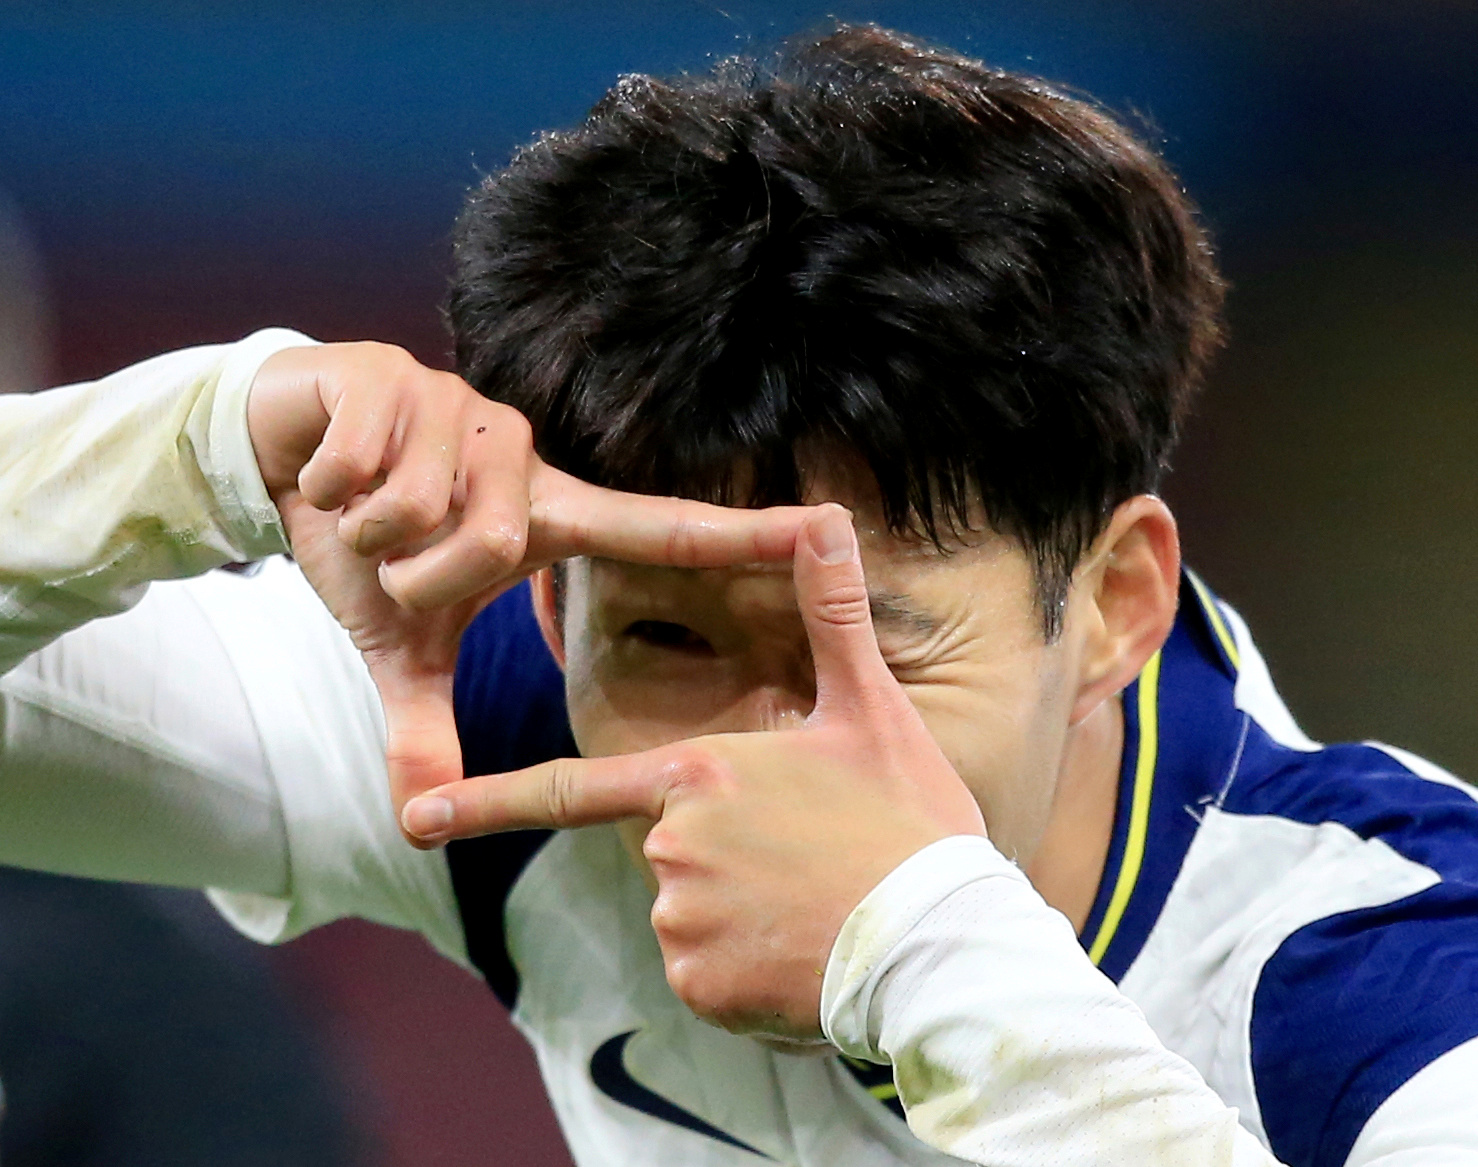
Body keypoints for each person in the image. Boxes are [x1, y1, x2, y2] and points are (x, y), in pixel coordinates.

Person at [3, 23, 1476, 1167]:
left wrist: (913, 943)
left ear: (1113, 603)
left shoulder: (1387, 972)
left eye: (879, 645)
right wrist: (189, 445)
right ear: (548, 604)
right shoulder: (500, 734)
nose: (770, 762)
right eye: (664, 633)